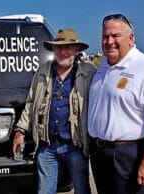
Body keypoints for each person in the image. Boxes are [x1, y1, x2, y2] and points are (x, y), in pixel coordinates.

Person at [88, 13, 144, 194]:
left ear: (131, 38)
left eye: (115, 36)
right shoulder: (102, 68)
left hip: (130, 157)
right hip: (101, 157)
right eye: (105, 36)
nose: (109, 41)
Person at [12, 29, 96, 194]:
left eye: (68, 47)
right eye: (58, 47)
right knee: (44, 191)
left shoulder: (89, 72)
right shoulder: (42, 72)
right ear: (53, 50)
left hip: (75, 146)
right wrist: (20, 131)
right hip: (47, 146)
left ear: (77, 50)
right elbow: (31, 103)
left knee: (82, 190)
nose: (63, 52)